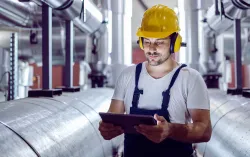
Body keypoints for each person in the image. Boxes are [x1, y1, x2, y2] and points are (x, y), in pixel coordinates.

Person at [99, 4, 212, 157]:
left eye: (159, 42)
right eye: (147, 41)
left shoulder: (190, 78)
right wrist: (107, 129)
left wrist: (170, 130)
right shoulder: (128, 75)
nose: (151, 48)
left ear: (174, 43)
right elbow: (113, 118)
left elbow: (205, 131)